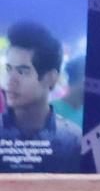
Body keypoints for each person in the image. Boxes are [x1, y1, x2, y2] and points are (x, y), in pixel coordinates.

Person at [1, 21, 84, 173]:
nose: (10, 81)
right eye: (8, 69)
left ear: (51, 78)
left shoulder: (73, 141)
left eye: (22, 71)